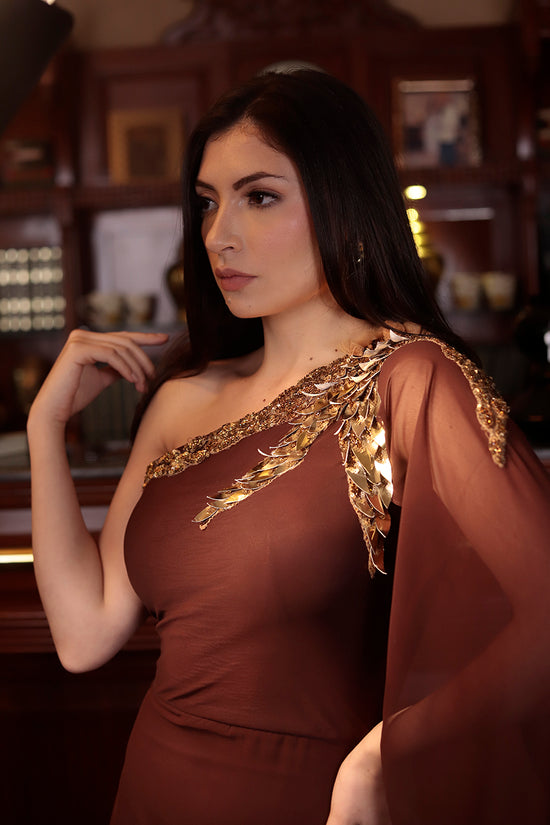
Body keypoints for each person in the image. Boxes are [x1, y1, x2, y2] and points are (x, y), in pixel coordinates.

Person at [27, 69, 550, 825]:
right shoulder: (183, 398)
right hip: (152, 787)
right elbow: (84, 635)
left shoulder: (408, 382)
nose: (219, 234)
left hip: (308, 798)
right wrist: (45, 427)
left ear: (345, 203)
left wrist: (382, 756)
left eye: (260, 197)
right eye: (207, 202)